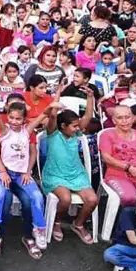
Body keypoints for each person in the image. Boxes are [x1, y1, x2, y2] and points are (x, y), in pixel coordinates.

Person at [0, 86, 50, 257]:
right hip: (3, 171)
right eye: (11, 117)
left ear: (23, 119)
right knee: (0, 197)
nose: (14, 121)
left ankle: (37, 230)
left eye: (18, 118)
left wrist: (28, 171)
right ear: (7, 110)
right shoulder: (4, 130)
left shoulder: (27, 131)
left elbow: (44, 115)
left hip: (22, 174)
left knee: (35, 197)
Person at [42, 102, 98, 245]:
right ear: (63, 126)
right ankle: (57, 221)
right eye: (74, 126)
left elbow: (88, 117)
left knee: (92, 200)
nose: (77, 128)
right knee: (65, 199)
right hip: (55, 174)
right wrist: (56, 100)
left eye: (77, 126)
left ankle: (78, 224)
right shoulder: (53, 134)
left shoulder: (76, 134)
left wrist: (90, 97)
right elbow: (52, 116)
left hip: (76, 174)